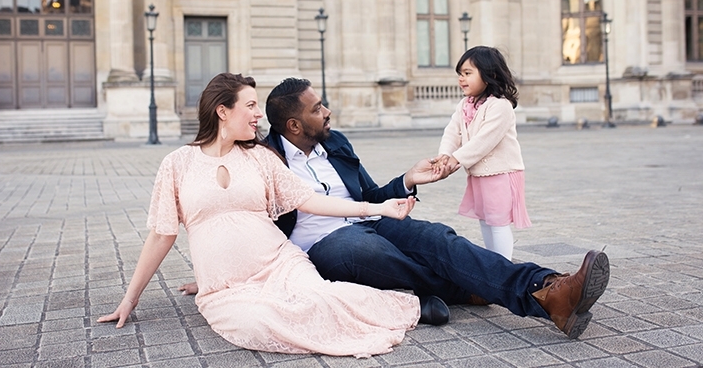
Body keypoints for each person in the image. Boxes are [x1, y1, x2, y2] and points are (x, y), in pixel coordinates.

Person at [182, 77, 611, 340]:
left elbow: (369, 193)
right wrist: (221, 272)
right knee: (369, 254)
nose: (327, 112)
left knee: (436, 238)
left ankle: (551, 291)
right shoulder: (263, 158)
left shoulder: (335, 143)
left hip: (373, 218)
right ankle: (475, 285)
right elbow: (231, 215)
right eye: (317, 109)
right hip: (321, 245)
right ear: (294, 125)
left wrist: (407, 180)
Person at [98, 73, 422, 358]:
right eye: (250, 106)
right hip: (227, 287)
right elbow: (161, 234)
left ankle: (416, 307)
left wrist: (377, 207)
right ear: (222, 111)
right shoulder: (177, 164)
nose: (258, 114)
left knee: (319, 297)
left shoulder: (261, 158)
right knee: (258, 321)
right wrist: (130, 299)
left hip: (280, 264)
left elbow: (310, 199)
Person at [432, 46, 530, 260]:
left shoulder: (500, 106)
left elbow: (484, 141)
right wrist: (444, 154)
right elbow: (453, 131)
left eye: (467, 73)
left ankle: (503, 268)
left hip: (500, 174)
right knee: (485, 219)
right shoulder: (465, 104)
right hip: (478, 175)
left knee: (498, 222)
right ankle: (494, 263)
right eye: (460, 74)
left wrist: (456, 159)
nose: (461, 79)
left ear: (489, 75)